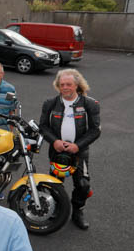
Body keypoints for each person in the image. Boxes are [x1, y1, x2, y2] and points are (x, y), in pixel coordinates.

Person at [39, 69, 100, 230]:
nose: (65, 87)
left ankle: (78, 211)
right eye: (62, 84)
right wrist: (54, 141)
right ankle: (56, 209)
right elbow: (43, 127)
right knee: (55, 183)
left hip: (79, 152)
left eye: (69, 84)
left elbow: (95, 130)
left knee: (83, 184)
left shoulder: (90, 104)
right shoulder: (50, 103)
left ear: (76, 85)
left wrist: (77, 145)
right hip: (57, 151)